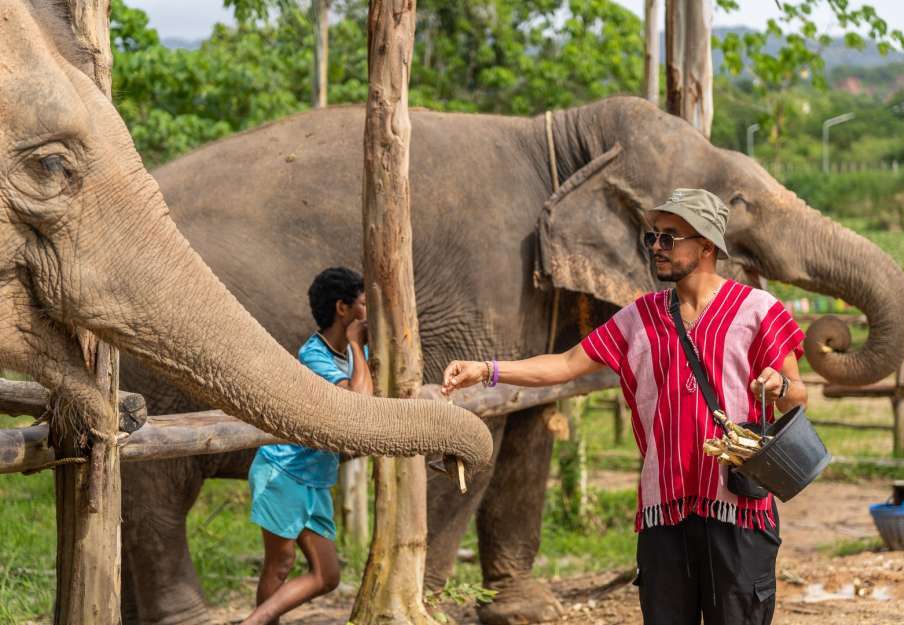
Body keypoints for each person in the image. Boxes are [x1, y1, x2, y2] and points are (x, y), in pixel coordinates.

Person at [441, 189, 807, 625]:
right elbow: (564, 364)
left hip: (737, 508)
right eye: (653, 237)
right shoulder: (639, 316)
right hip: (665, 513)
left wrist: (779, 383)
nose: (656, 247)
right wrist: (486, 369)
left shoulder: (758, 310)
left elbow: (796, 394)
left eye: (669, 238)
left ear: (706, 246)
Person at [241, 267, 371, 625]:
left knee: (327, 576)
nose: (367, 312)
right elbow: (358, 402)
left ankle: (252, 622)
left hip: (315, 478)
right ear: (342, 308)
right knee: (280, 564)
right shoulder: (313, 355)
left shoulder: (349, 355)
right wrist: (359, 346)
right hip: (283, 471)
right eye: (362, 304)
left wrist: (360, 349)